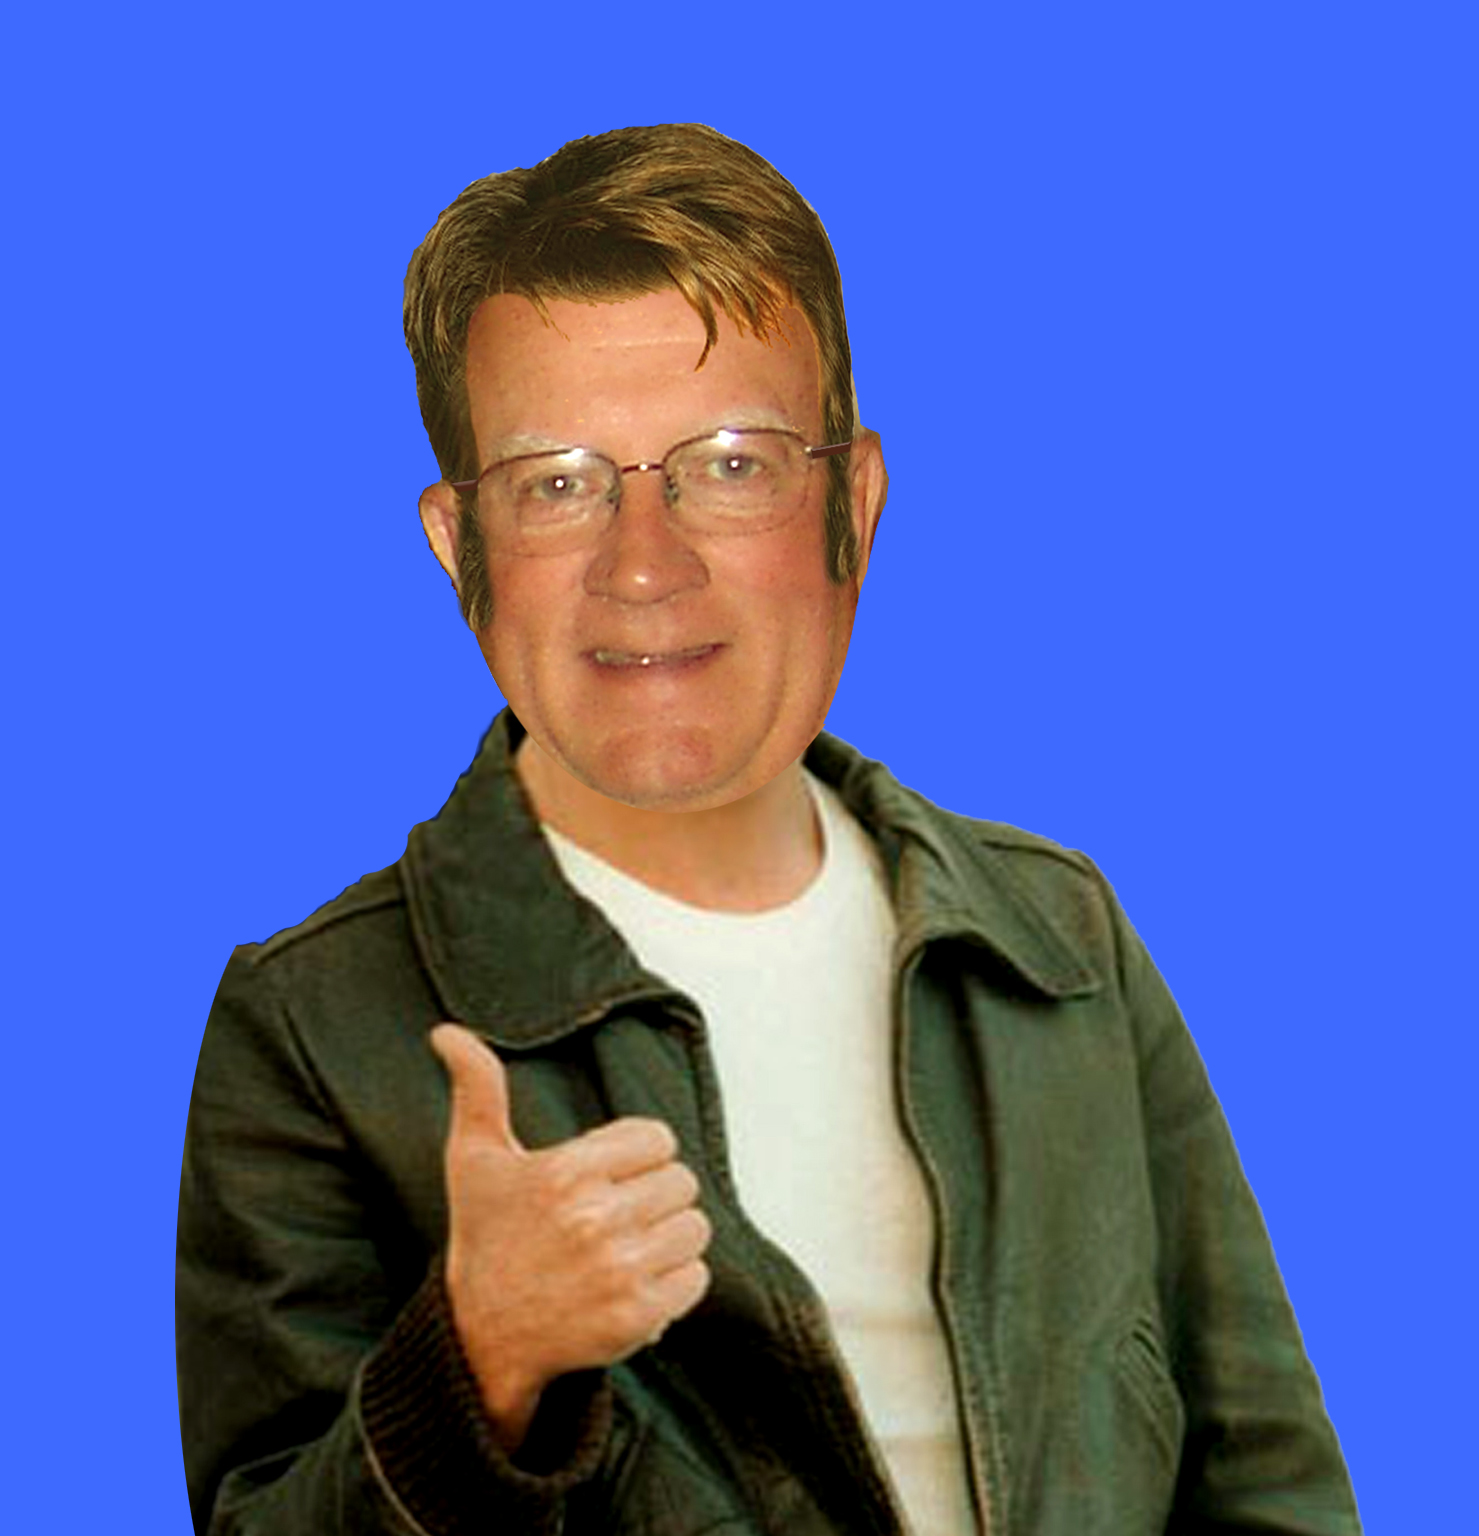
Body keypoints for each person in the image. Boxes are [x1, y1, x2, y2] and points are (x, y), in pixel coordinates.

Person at [176, 123, 1362, 1535]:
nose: (642, 566)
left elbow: (1269, 1480)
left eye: (731, 465)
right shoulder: (314, 1024)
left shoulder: (1059, 941)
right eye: (557, 484)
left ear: (852, 504)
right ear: (458, 548)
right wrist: (474, 1368)